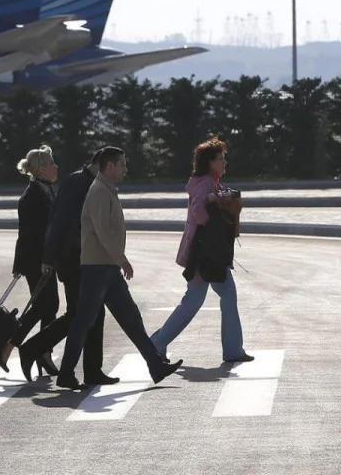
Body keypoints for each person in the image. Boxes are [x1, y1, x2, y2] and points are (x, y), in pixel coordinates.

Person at [55, 146, 182, 390]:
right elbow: (104, 230)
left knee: (131, 319)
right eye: (122, 164)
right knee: (84, 321)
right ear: (109, 166)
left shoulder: (106, 189)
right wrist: (121, 258)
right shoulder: (100, 192)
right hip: (97, 267)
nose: (125, 169)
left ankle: (155, 366)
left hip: (106, 268)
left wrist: (117, 260)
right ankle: (66, 373)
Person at [14, 149, 115, 385]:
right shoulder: (74, 184)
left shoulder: (56, 188)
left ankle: (89, 370)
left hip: (79, 259)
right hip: (71, 260)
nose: (56, 166)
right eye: (50, 163)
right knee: (78, 314)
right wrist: (47, 260)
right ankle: (33, 348)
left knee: (88, 313)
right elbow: (53, 228)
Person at [150, 138, 253, 363]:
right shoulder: (205, 183)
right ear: (209, 162)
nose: (224, 162)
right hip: (203, 255)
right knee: (194, 301)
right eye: (220, 159)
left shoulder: (210, 182)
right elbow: (198, 212)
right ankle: (157, 342)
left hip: (211, 255)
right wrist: (215, 203)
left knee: (226, 294)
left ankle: (233, 349)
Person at [0, 144, 61, 373]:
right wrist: (34, 262)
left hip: (45, 260)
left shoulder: (46, 190)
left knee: (49, 305)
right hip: (36, 261)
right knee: (45, 305)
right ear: (42, 170)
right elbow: (28, 235)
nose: (56, 167)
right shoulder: (33, 196)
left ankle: (43, 352)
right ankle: (11, 345)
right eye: (52, 163)